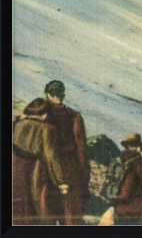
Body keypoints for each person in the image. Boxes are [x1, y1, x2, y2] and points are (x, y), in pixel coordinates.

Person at [13, 98, 68, 225]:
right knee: (37, 207)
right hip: (31, 171)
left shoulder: (19, 123)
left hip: (14, 168)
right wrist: (60, 183)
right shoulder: (47, 128)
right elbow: (51, 157)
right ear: (45, 114)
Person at [43, 79, 90, 225]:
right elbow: (81, 150)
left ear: (48, 95)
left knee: (47, 215)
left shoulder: (44, 117)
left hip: (47, 171)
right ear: (63, 95)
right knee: (70, 217)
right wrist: (84, 176)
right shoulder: (74, 117)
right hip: (70, 170)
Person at [112, 133, 142, 225]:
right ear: (137, 146)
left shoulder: (117, 161)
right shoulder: (139, 161)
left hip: (119, 211)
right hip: (137, 211)